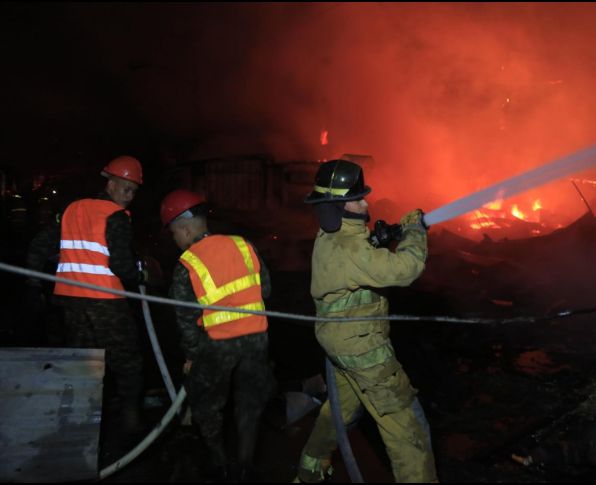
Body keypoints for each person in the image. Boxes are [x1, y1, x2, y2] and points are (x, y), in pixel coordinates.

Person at [296, 159, 437, 483]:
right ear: (339, 206)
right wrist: (414, 232)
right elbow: (406, 269)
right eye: (358, 199)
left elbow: (357, 258)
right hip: (364, 350)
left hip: (341, 346)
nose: (366, 203)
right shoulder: (351, 248)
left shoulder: (329, 236)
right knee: (406, 425)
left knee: (340, 410)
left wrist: (378, 239)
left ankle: (309, 471)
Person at [162, 189, 275, 481]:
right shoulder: (243, 245)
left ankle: (219, 464)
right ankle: (246, 466)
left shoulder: (187, 264)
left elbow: (185, 320)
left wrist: (191, 357)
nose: (176, 241)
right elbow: (265, 290)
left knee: (207, 404)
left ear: (185, 230)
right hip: (257, 339)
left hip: (217, 344)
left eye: (174, 235)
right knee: (249, 403)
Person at [50, 155, 146, 433]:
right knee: (128, 363)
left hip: (70, 304)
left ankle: (82, 425)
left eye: (133, 191)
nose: (129, 197)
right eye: (126, 189)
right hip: (106, 304)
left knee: (84, 363)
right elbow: (121, 265)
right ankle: (131, 425)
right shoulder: (116, 216)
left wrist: (34, 283)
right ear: (110, 184)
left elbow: (45, 243)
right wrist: (141, 276)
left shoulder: (73, 209)